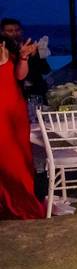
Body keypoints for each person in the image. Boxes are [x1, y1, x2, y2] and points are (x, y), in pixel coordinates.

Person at [0, 35, 46, 220]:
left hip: (15, 110)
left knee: (20, 159)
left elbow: (20, 75)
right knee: (7, 161)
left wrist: (24, 57)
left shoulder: (8, 50)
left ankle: (23, 203)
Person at [1, 17, 51, 99]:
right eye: (10, 31)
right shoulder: (3, 50)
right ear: (2, 32)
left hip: (37, 91)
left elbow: (45, 70)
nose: (14, 33)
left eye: (17, 30)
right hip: (14, 94)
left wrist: (39, 55)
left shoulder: (30, 46)